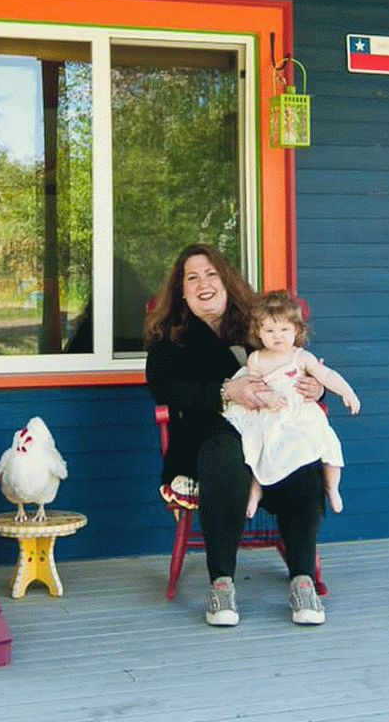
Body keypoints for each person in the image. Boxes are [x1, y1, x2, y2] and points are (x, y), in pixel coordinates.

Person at [146, 245, 330, 628]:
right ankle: (222, 583)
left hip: (269, 430)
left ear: (226, 280)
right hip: (204, 433)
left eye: (211, 274)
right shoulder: (170, 336)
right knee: (224, 455)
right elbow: (163, 387)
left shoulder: (256, 325)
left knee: (300, 455)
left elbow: (295, 364)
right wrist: (225, 391)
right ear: (182, 291)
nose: (203, 284)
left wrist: (316, 389)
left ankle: (301, 578)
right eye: (192, 278)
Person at [226, 289, 358, 519]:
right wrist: (266, 397)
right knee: (261, 445)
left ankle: (332, 486)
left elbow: (327, 376)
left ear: (297, 329)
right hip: (270, 413)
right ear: (259, 333)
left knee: (326, 443)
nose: (278, 336)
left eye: (285, 329)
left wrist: (347, 392)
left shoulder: (301, 356)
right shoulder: (256, 359)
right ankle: (256, 489)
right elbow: (254, 386)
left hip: (299, 414)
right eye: (270, 330)